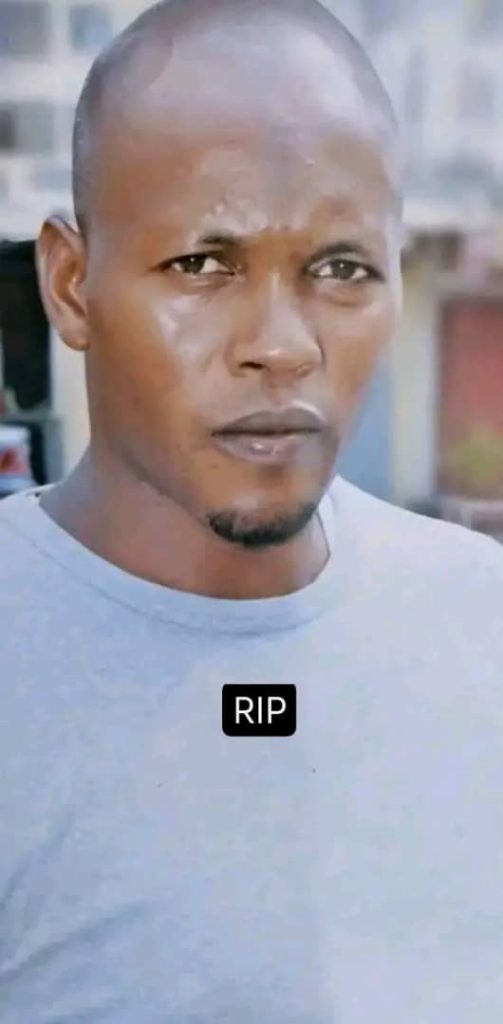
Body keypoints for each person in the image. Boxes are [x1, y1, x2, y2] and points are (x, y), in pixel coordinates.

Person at [1, 1, 502, 1020]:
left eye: (340, 269)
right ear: (72, 285)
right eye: (200, 264)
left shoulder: (481, 620)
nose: (281, 345)